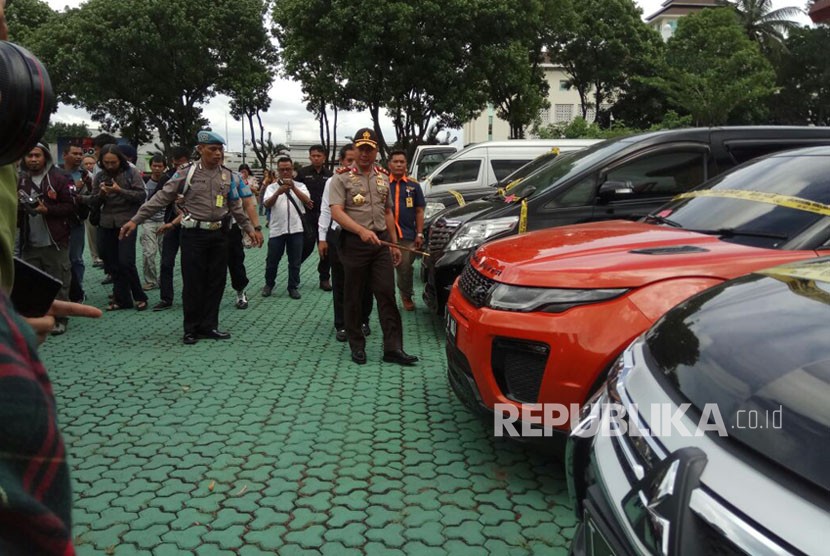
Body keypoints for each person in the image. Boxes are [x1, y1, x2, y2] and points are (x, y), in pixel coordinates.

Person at [1, 4, 100, 553]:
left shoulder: (49, 176)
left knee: (63, 275)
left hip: (51, 245)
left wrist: (9, 299)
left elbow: (69, 208)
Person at [120, 130, 263, 344]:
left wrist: (250, 228)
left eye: (220, 149)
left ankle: (209, 326)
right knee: (193, 282)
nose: (218, 154)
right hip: (193, 235)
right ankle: (191, 328)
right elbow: (161, 197)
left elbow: (235, 206)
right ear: (200, 149)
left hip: (219, 234)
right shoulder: (186, 174)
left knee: (216, 281)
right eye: (213, 149)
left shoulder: (228, 175)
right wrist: (135, 220)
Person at [329, 128, 418, 366]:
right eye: (361, 148)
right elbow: (336, 211)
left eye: (370, 149)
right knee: (354, 296)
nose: (366, 153)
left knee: (386, 293)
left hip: (380, 244)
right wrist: (360, 230)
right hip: (354, 243)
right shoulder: (341, 178)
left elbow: (387, 211)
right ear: (355, 150)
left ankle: (393, 348)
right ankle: (357, 345)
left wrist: (394, 243)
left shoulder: (382, 177)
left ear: (376, 150)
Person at [17, 142, 75, 335]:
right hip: (28, 242)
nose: (33, 159)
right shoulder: (18, 179)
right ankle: (37, 319)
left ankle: (60, 319)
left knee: (59, 282)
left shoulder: (59, 178)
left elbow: (70, 206)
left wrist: (47, 209)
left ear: (46, 157)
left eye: (37, 155)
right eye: (29, 156)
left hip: (55, 241)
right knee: (31, 283)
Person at [83, 144, 149, 311]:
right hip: (105, 222)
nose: (110, 165)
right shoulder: (99, 176)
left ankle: (140, 296)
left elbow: (141, 195)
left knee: (126, 261)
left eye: (113, 162)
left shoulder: (130, 173)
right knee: (110, 261)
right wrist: (102, 195)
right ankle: (122, 299)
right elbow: (94, 201)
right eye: (106, 162)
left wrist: (120, 191)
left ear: (120, 160)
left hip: (126, 221)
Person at [319, 144, 373, 342]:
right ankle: (341, 324)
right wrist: (322, 238)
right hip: (340, 237)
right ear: (342, 161)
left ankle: (363, 320)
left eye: (355, 159)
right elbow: (326, 210)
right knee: (341, 281)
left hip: (365, 236)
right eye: (348, 160)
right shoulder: (334, 181)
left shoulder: (370, 179)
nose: (352, 163)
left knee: (366, 282)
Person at [262, 157, 310, 300]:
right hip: (277, 230)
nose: (285, 172)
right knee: (272, 260)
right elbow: (266, 205)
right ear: (277, 171)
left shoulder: (300, 186)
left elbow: (307, 200)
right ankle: (269, 284)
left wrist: (292, 188)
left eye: (288, 169)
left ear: (292, 170)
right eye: (282, 169)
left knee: (295, 261)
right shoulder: (271, 188)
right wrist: (278, 192)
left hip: (296, 229)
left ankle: (293, 287)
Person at [387, 150, 425, 311]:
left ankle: (406, 295)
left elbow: (419, 211)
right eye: (395, 161)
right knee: (383, 269)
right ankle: (386, 298)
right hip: (384, 234)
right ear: (389, 164)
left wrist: (420, 233)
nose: (399, 164)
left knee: (405, 268)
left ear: (406, 165)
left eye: (402, 162)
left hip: (407, 234)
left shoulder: (414, 186)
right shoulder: (381, 183)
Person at [153, 146, 190, 311]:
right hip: (170, 224)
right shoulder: (167, 177)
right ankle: (166, 298)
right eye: (175, 164)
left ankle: (190, 297)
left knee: (189, 264)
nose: (178, 168)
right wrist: (171, 197)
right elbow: (155, 198)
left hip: (190, 225)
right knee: (166, 262)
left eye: (181, 164)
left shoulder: (196, 176)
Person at [296, 145, 333, 291]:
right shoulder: (302, 173)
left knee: (326, 249)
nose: (316, 158)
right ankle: (295, 272)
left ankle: (324, 278)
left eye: (319, 155)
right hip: (308, 217)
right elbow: (295, 191)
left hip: (325, 215)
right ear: (309, 157)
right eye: (313, 156)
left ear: (324, 157)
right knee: (307, 246)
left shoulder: (330, 175)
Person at [226, 163, 262, 310]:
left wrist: (256, 228)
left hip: (231, 226)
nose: (216, 155)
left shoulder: (234, 177)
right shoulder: (194, 174)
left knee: (236, 262)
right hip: (205, 229)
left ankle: (240, 292)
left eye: (219, 150)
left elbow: (248, 204)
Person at [140, 155, 169, 291]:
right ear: (150, 167)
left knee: (166, 253)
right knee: (149, 252)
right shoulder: (143, 183)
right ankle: (151, 280)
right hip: (148, 221)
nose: (157, 169)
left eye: (160, 166)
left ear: (164, 167)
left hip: (165, 221)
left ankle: (164, 280)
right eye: (154, 166)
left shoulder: (169, 183)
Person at [81, 154, 104, 267]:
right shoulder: (80, 177)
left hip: (102, 209)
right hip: (89, 210)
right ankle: (95, 257)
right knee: (92, 234)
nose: (89, 165)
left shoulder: (100, 176)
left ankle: (104, 257)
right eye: (86, 163)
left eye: (91, 163)